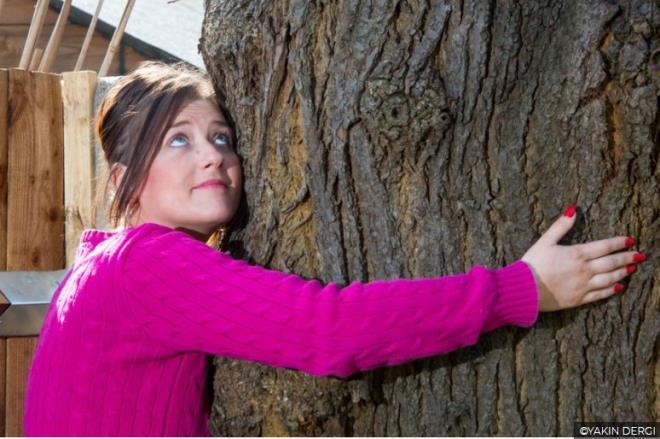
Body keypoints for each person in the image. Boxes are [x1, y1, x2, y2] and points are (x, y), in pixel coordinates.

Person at [23, 61, 645, 437]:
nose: (214, 153)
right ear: (120, 178)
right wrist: (520, 289)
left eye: (220, 136)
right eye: (178, 141)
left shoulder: (100, 268)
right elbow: (328, 329)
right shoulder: (145, 263)